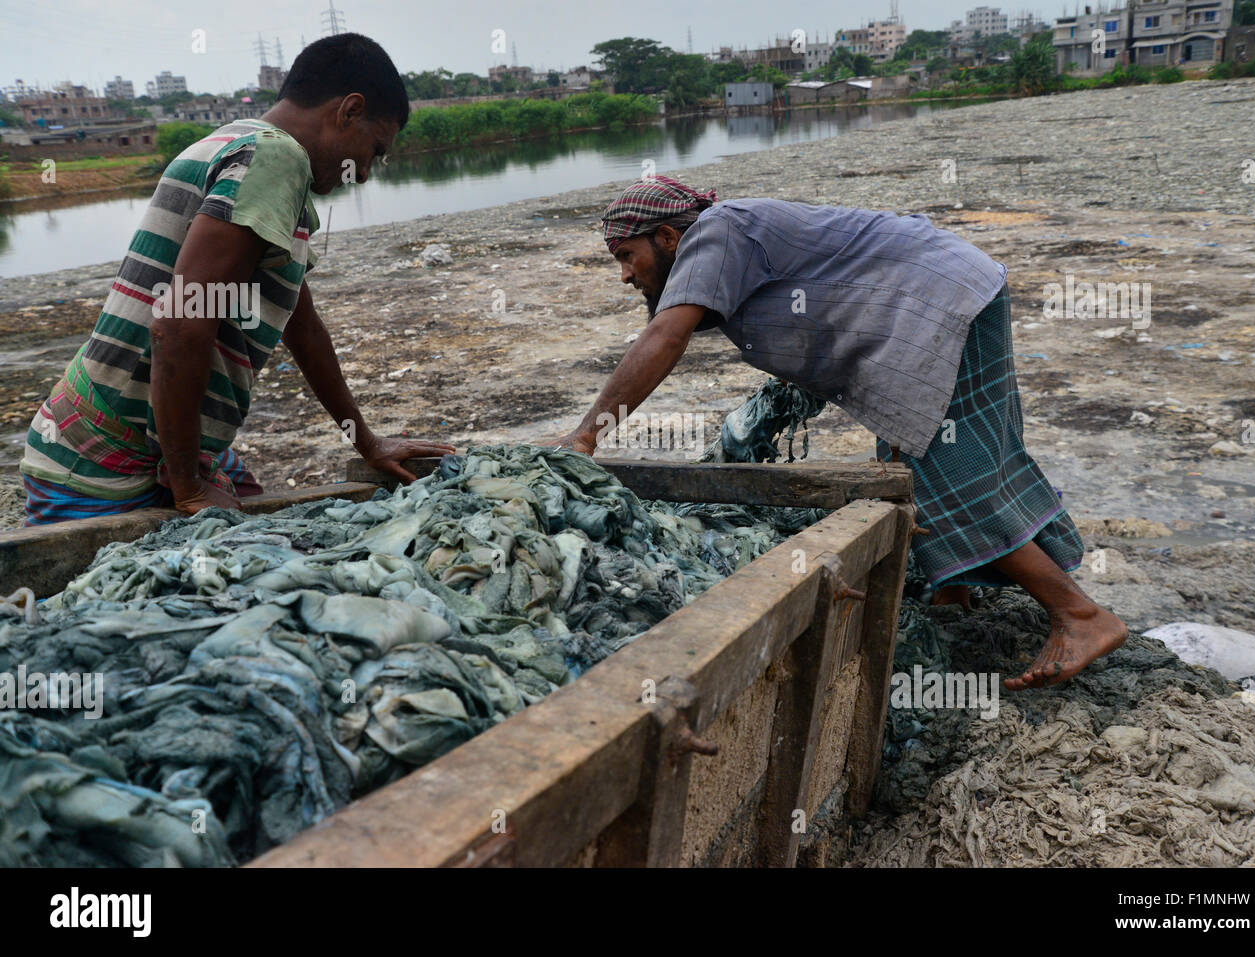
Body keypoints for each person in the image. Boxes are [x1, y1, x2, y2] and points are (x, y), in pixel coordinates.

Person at [549, 175, 1127, 691]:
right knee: (913, 456)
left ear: (668, 238)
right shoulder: (725, 240)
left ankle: (1079, 615)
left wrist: (585, 436)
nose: (626, 275)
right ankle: (954, 593)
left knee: (944, 469)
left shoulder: (715, 232)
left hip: (941, 304)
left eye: (627, 255)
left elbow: (663, 340)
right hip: (942, 301)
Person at [20, 33, 452, 525]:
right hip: (105, 461)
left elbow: (302, 328)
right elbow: (179, 324)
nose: (368, 173)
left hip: (153, 439)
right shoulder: (274, 160)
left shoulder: (241, 143)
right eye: (375, 151)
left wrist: (367, 441)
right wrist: (188, 489)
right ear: (349, 111)